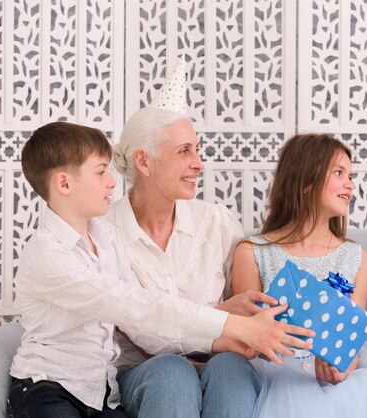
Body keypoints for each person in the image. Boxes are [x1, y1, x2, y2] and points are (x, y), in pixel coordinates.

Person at [7, 121, 314, 418]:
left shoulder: (105, 238)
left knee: (220, 369)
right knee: (170, 373)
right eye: (101, 172)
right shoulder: (49, 257)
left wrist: (219, 341)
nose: (113, 181)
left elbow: (144, 327)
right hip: (49, 387)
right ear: (64, 183)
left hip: (99, 394)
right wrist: (235, 326)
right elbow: (136, 305)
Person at [107, 58, 282, 418]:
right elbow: (148, 333)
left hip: (220, 364)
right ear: (144, 161)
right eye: (184, 151)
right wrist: (221, 316)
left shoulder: (215, 222)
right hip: (146, 374)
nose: (199, 163)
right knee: (172, 371)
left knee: (233, 369)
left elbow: (255, 299)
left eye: (197, 150)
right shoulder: (107, 233)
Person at [232, 133, 367, 418]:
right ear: (305, 182)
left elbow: (350, 341)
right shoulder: (252, 252)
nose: (349, 184)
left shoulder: (358, 259)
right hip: (272, 368)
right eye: (339, 173)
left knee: (348, 394)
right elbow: (245, 337)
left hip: (338, 374)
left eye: (350, 175)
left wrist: (341, 368)